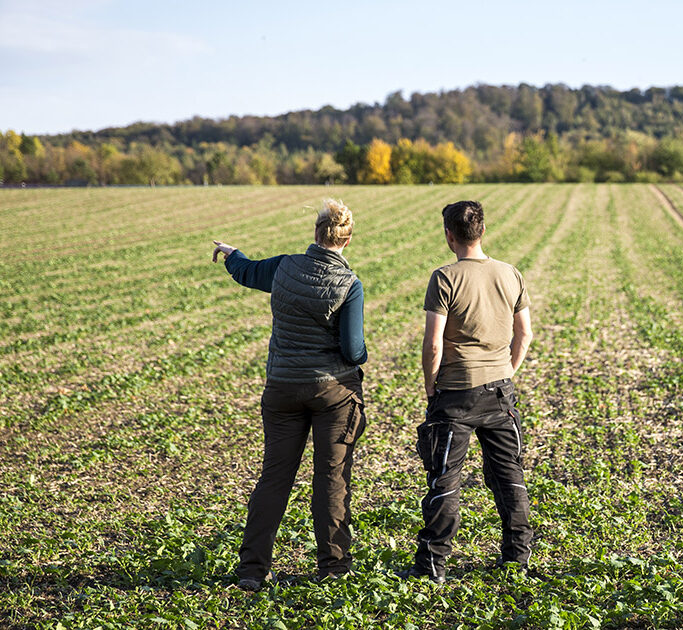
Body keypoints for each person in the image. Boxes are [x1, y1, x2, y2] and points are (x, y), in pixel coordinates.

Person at [211, 198, 368, 591]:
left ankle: (252, 570)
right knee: (330, 479)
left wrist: (233, 254)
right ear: (347, 241)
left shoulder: (284, 266)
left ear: (316, 234)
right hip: (332, 392)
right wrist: (364, 353)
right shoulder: (349, 285)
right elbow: (352, 351)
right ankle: (332, 567)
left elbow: (246, 272)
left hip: (281, 389)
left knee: (275, 478)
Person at [397, 200, 534, 584]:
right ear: (482, 231)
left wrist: (430, 386)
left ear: (449, 235)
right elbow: (525, 334)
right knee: (510, 476)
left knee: (445, 480)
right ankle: (516, 559)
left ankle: (432, 566)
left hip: (454, 395)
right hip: (499, 393)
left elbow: (433, 345)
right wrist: (507, 371)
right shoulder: (510, 274)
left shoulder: (445, 278)